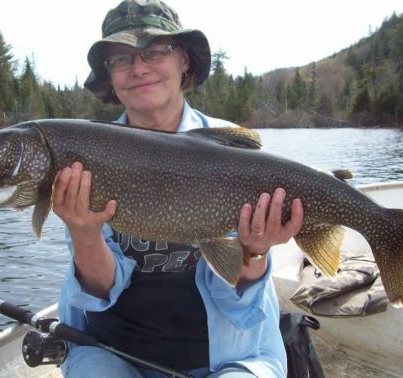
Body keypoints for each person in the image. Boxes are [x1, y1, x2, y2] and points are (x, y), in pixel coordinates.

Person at [53, 1, 304, 377]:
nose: (139, 68)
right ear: (109, 75)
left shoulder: (232, 153)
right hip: (112, 349)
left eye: (155, 51)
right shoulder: (87, 154)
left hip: (228, 351)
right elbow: (100, 293)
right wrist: (84, 233)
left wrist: (254, 252)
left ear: (183, 60)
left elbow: (241, 301)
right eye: (121, 59)